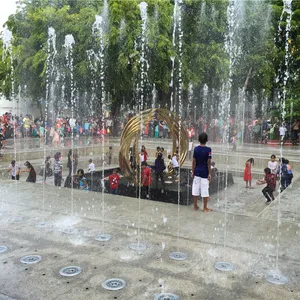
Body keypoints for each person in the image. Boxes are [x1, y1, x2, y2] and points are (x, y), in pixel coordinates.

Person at [192, 132, 212, 212]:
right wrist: (209, 173)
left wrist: (193, 171)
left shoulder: (196, 149)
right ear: (206, 140)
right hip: (204, 172)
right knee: (205, 189)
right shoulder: (208, 150)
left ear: (199, 140)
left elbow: (194, 161)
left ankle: (195, 206)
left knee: (195, 188)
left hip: (197, 171)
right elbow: (209, 162)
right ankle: (205, 207)